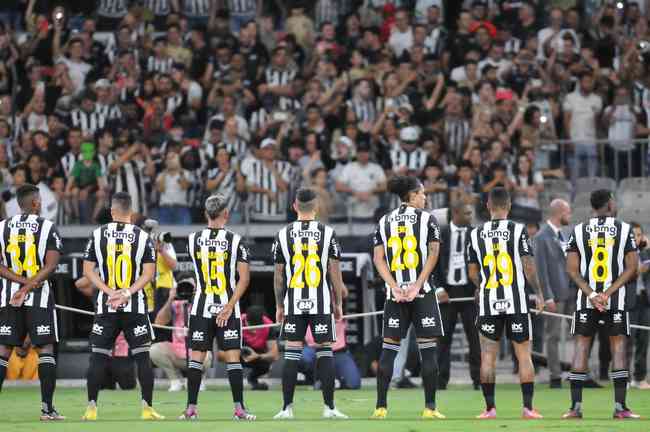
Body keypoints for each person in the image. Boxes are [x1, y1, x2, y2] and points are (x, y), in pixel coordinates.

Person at [81, 192, 163, 421]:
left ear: (112, 211)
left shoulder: (97, 234)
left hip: (106, 306)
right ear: (131, 212)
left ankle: (91, 408)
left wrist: (109, 292)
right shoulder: (142, 236)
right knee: (142, 357)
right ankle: (147, 408)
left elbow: (87, 270)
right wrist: (126, 292)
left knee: (97, 357)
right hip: (134, 305)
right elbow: (149, 273)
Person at [467, 187, 545, 420]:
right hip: (517, 301)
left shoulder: (475, 234)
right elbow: (528, 265)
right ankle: (528, 408)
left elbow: (472, 271)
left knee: (487, 356)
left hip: (490, 301)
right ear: (509, 206)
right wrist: (539, 293)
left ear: (488, 206)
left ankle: (490, 409)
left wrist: (480, 286)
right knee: (524, 355)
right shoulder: (518, 229)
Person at [371, 175, 445, 420]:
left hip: (395, 295)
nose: (426, 197)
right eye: (422, 193)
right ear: (412, 195)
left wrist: (393, 286)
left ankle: (380, 407)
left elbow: (378, 259)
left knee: (389, 350)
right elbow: (434, 253)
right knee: (429, 350)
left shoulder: (384, 220)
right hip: (421, 293)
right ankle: (430, 408)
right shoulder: (427, 219)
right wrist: (417, 285)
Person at [563, 189, 641, 419]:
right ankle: (620, 408)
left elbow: (572, 270)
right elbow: (632, 267)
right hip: (614, 300)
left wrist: (591, 294)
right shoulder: (624, 229)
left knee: (581, 349)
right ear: (609, 204)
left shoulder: (579, 230)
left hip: (585, 301)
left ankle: (575, 408)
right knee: (619, 349)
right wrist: (606, 294)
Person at [272, 188, 348, 420]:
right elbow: (334, 272)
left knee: (292, 353)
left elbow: (278, 275)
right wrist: (337, 302)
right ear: (315, 207)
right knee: (325, 352)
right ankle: (329, 408)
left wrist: (279, 305)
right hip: (321, 301)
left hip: (294, 301)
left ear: (294, 206)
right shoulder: (328, 233)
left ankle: (286, 409)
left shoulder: (283, 234)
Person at [180, 194, 255, 421]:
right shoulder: (236, 240)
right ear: (226, 214)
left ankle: (191, 408)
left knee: (196, 358)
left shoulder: (192, 239)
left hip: (201, 306)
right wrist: (229, 307)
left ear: (205, 214)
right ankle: (239, 409)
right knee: (233, 357)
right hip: (227, 306)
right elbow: (244, 279)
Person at [0, 184, 64, 420]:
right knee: (45, 348)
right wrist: (28, 285)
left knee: (4, 350)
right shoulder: (47, 226)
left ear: (18, 204)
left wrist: (19, 284)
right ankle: (47, 409)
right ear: (36, 203)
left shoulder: (2, 227)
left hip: (10, 296)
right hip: (39, 296)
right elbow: (51, 265)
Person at [436, 202, 480, 390]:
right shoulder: (441, 234)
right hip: (447, 292)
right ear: (455, 212)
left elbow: (483, 262)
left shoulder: (476, 234)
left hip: (470, 292)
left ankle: (479, 379)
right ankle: (440, 380)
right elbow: (432, 263)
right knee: (443, 338)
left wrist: (480, 287)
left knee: (475, 338)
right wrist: (438, 289)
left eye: (471, 213)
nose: (470, 217)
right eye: (467, 212)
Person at [532, 199, 573, 389]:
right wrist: (546, 296)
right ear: (560, 213)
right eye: (568, 213)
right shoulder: (541, 237)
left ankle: (579, 372)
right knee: (553, 336)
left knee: (581, 331)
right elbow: (540, 270)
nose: (570, 216)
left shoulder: (562, 234)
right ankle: (555, 375)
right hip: (554, 295)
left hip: (570, 292)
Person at [150, 277, 211, 392]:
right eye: (183, 285)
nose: (186, 289)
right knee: (154, 350)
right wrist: (170, 299)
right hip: (176, 352)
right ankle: (175, 380)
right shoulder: (175, 304)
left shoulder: (202, 302)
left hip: (197, 350)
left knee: (207, 355)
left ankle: (199, 380)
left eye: (190, 286)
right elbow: (159, 322)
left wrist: (199, 296)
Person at [300, 285, 362, 390]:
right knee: (302, 358)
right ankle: (313, 379)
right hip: (314, 350)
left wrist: (333, 274)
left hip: (338, 352)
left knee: (354, 383)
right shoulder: (307, 302)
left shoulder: (337, 304)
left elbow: (343, 292)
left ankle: (334, 382)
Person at [240, 305, 280, 391]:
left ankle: (252, 379)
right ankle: (235, 381)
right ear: (246, 320)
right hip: (239, 352)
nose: (254, 331)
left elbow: (275, 355)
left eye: (256, 327)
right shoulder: (237, 322)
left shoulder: (268, 326)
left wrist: (257, 356)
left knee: (266, 365)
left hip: (257, 354)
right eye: (251, 326)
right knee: (230, 356)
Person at [630, 222, 650, 389]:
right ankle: (624, 378)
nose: (636, 238)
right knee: (627, 340)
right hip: (629, 301)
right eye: (633, 235)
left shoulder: (645, 253)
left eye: (638, 235)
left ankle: (640, 377)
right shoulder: (620, 253)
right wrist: (637, 271)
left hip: (644, 300)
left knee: (643, 340)